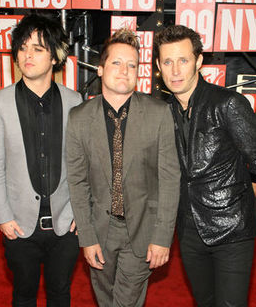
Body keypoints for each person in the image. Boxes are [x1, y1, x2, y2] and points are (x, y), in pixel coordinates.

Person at [154, 25, 256, 307]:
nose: (175, 70)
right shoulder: (162, 111)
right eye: (168, 62)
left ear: (198, 61)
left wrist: (237, 202)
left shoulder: (228, 103)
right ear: (159, 65)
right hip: (188, 230)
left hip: (232, 231)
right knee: (204, 301)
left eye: (183, 60)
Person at [65, 28, 180, 307]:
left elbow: (169, 179)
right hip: (99, 228)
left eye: (132, 65)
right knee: (106, 300)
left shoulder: (158, 113)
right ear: (101, 69)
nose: (124, 70)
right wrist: (87, 238)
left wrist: (163, 237)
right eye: (116, 63)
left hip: (142, 228)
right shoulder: (79, 117)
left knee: (125, 302)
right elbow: (77, 181)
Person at [0, 14, 83, 307]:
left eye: (38, 48)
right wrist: (2, 217)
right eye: (23, 47)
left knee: (60, 294)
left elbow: (81, 163)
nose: (27, 55)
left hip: (65, 224)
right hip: (19, 225)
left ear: (55, 56)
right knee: (24, 295)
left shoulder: (74, 100)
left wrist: (79, 211)